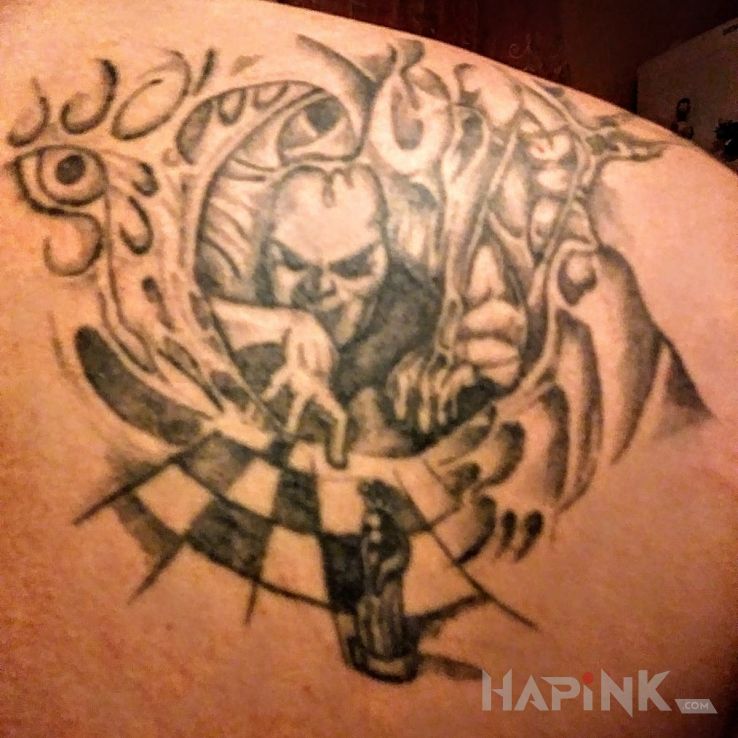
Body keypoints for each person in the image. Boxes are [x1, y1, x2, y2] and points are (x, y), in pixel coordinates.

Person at [0, 2, 736, 737]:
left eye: (352, 269)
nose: (323, 296)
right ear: (263, 251)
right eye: (295, 269)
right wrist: (275, 322)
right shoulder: (707, 228)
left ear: (387, 253)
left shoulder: (452, 310)